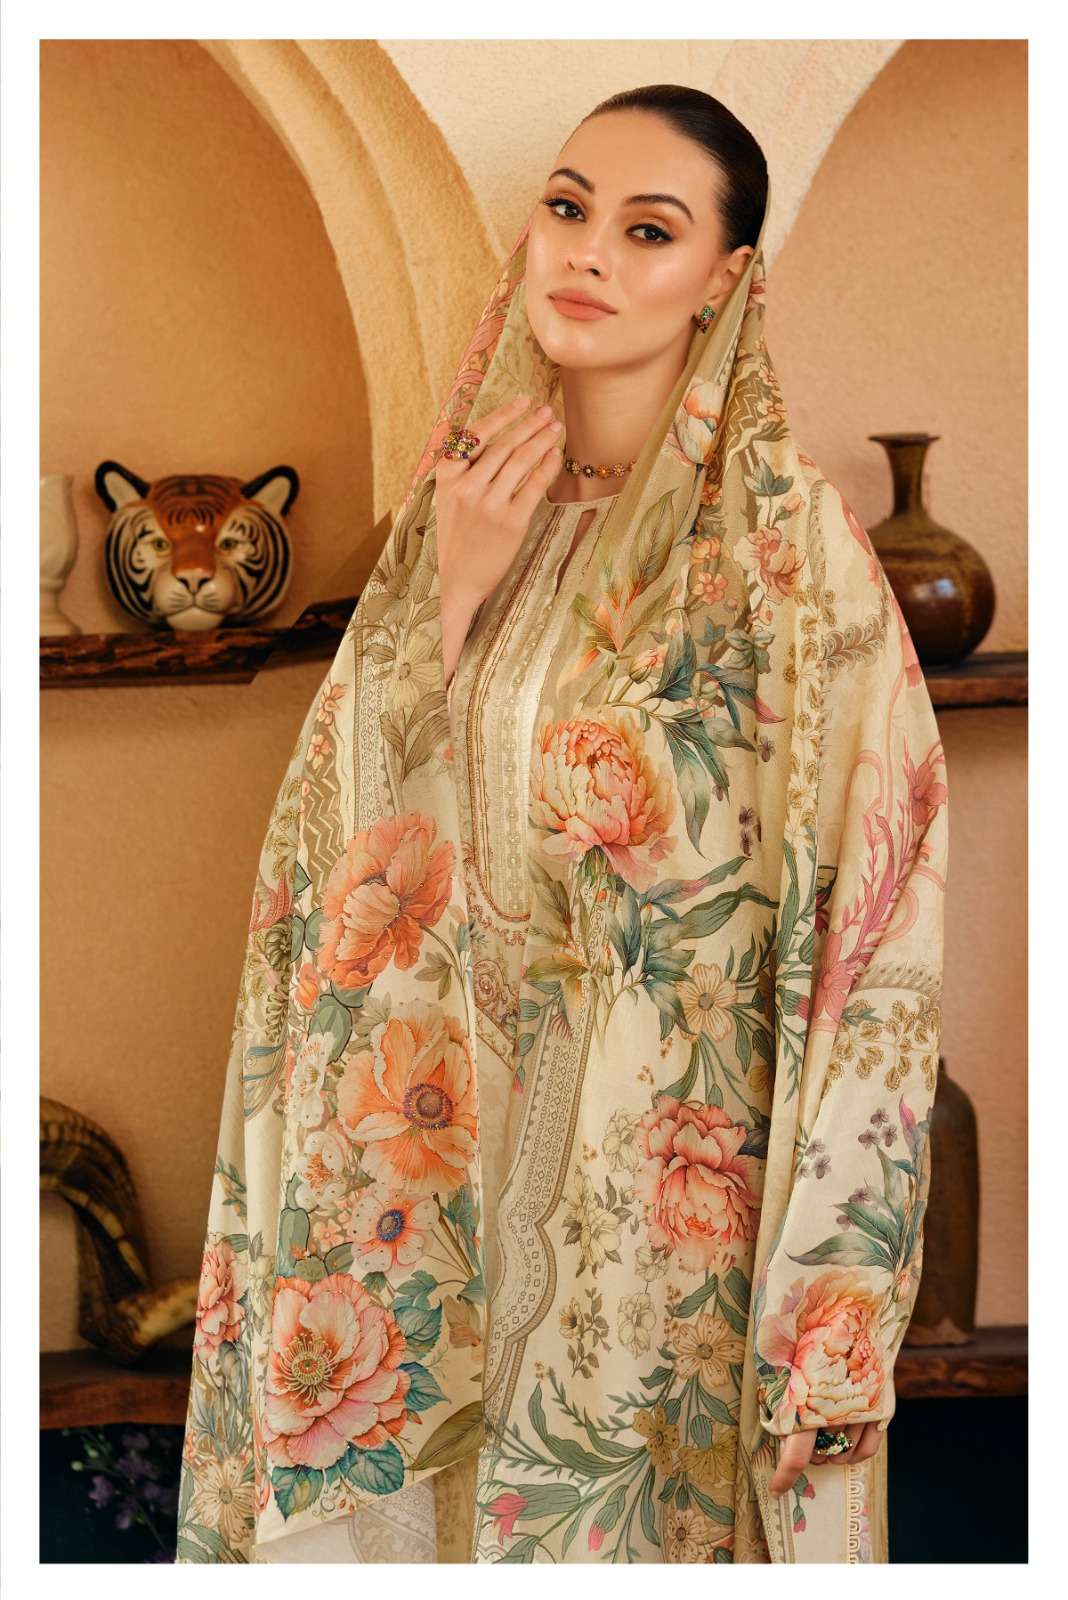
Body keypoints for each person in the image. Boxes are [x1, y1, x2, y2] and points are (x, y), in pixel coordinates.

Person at [176, 84, 948, 1565]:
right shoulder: (458, 514)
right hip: (426, 1201)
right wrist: (455, 596)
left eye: (649, 229)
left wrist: (834, 1310)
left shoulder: (792, 556)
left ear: (725, 276)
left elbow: (882, 932)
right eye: (569, 206)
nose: (588, 250)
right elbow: (319, 861)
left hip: (667, 1248)